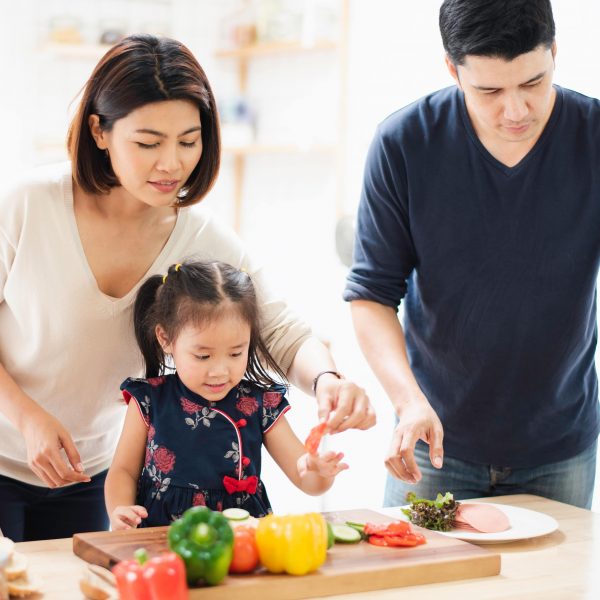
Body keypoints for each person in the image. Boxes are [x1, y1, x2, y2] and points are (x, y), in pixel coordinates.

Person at [0, 34, 375, 542]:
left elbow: (281, 328)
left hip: (85, 473)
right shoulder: (26, 206)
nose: (171, 164)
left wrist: (328, 379)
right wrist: (27, 419)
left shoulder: (202, 239)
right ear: (100, 131)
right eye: (149, 143)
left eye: (189, 140)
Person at [344, 0, 600, 509]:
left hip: (561, 443)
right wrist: (408, 401)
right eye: (489, 90)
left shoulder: (592, 136)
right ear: (452, 70)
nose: (515, 110)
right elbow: (371, 296)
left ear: (554, 53)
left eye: (533, 83)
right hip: (434, 438)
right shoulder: (403, 143)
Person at [106, 260, 349, 528]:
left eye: (236, 353)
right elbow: (123, 471)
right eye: (203, 355)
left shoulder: (261, 404)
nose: (220, 371)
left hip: (241, 538)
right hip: (160, 534)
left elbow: (306, 478)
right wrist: (121, 511)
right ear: (165, 339)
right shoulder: (149, 400)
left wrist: (320, 473)